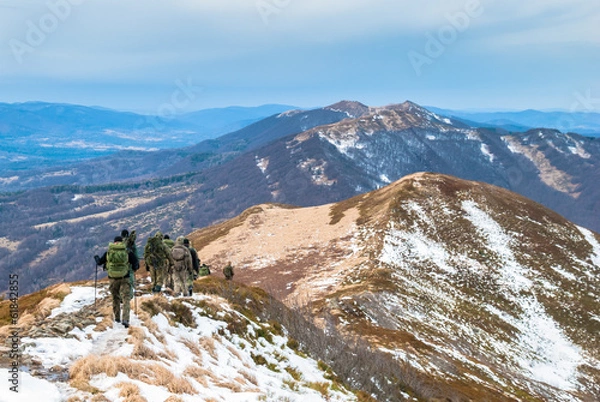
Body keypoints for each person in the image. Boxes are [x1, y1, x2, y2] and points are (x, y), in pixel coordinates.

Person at [95, 236, 139, 328]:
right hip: (125, 277)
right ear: (122, 242)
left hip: (113, 278)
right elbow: (136, 264)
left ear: (114, 242)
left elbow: (99, 262)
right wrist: (133, 268)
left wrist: (97, 258)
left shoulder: (109, 252)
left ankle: (117, 318)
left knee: (115, 297)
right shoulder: (127, 251)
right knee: (126, 298)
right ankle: (125, 319)